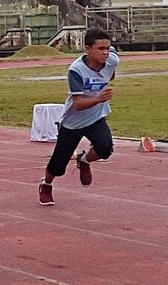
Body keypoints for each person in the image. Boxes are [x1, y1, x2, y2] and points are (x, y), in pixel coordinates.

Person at [39, 28, 119, 206]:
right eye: (100, 49)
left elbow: (111, 72)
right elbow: (78, 104)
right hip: (73, 121)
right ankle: (46, 184)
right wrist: (98, 98)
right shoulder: (76, 70)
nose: (105, 52)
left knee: (105, 148)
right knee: (58, 166)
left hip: (96, 117)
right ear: (88, 49)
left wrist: (108, 75)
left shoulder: (112, 59)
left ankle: (83, 160)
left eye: (108, 48)